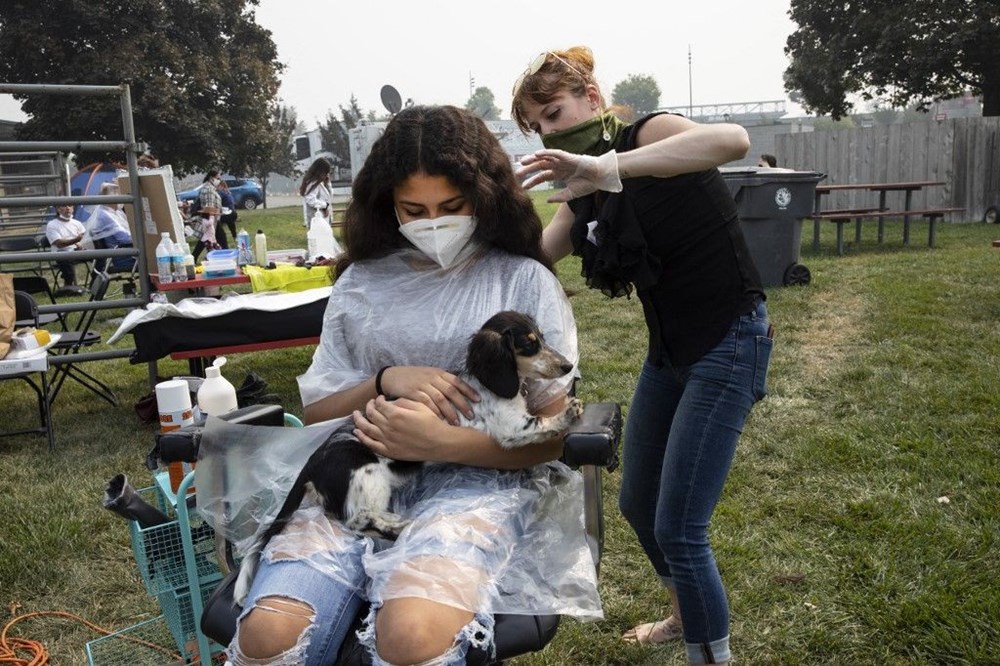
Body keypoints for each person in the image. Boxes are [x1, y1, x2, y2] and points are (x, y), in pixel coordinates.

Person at [227, 105, 601, 666]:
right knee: (269, 636)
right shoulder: (361, 285)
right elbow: (318, 413)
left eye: (451, 207)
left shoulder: (520, 280)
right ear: (387, 205)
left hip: (480, 484)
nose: (433, 222)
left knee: (412, 635)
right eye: (414, 210)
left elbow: (553, 435)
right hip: (359, 477)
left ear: (484, 196)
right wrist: (384, 380)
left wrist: (439, 444)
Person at [512, 47, 773, 666]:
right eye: (539, 125)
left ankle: (711, 656)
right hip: (670, 353)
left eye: (556, 111)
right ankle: (684, 613)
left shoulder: (647, 134)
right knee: (636, 504)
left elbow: (732, 140)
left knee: (681, 528)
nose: (552, 131)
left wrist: (607, 167)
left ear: (593, 99)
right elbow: (538, 257)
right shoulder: (584, 187)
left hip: (729, 339)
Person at [86, 182, 135, 272]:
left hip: (124, 251)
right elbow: (124, 239)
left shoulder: (111, 211)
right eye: (119, 194)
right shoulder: (105, 215)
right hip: (123, 256)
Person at [44, 204, 87, 291]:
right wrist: (76, 240)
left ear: (73, 208)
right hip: (61, 253)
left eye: (70, 205)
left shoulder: (77, 223)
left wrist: (82, 245)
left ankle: (95, 284)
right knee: (66, 261)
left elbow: (85, 239)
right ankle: (68, 288)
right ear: (58, 209)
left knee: (99, 257)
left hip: (77, 252)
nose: (68, 208)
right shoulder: (52, 224)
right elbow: (59, 243)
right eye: (64, 206)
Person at [192, 170, 227, 261]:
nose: (219, 180)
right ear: (212, 178)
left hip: (212, 218)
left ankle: (198, 257)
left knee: (205, 240)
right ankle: (224, 258)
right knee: (217, 240)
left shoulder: (208, 188)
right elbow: (209, 206)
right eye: (218, 178)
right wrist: (213, 218)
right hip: (211, 219)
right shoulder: (209, 189)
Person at [299, 157, 333, 228]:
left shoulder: (321, 182)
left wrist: (327, 184)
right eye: (326, 173)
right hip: (316, 220)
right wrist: (325, 206)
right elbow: (311, 200)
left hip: (323, 219)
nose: (327, 175)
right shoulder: (312, 183)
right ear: (320, 172)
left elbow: (329, 197)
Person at [217, 177, 239, 242]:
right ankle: (235, 236)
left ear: (221, 186)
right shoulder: (228, 192)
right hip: (233, 213)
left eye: (218, 186)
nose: (216, 187)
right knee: (231, 224)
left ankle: (219, 238)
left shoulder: (221, 193)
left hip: (227, 213)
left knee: (217, 224)